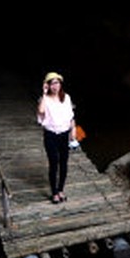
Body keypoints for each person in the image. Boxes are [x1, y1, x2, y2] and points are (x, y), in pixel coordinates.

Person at [36, 71, 76, 204]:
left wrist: (73, 132)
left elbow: (71, 117)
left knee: (64, 163)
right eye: (52, 83)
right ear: (47, 85)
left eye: (57, 82)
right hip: (50, 135)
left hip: (64, 134)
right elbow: (41, 112)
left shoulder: (67, 98)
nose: (55, 86)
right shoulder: (45, 99)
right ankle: (54, 192)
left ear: (60, 84)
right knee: (54, 163)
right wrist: (44, 93)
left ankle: (61, 190)